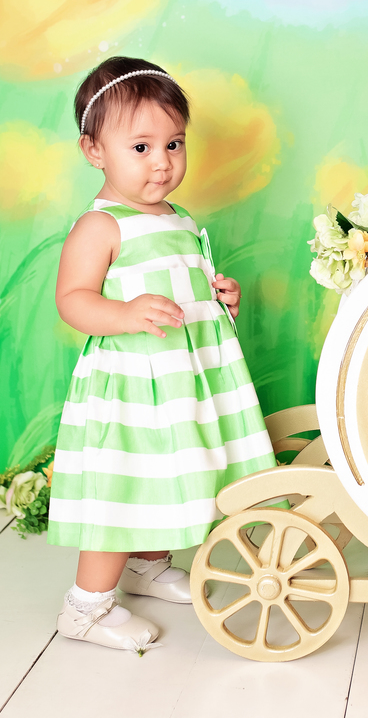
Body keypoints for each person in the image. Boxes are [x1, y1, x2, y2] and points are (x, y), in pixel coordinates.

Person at [47, 57, 276, 650]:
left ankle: (147, 566)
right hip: (133, 384)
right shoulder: (101, 226)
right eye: (141, 147)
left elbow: (184, 290)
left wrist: (218, 298)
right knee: (127, 484)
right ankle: (85, 608)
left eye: (173, 144)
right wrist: (123, 314)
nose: (162, 162)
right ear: (94, 150)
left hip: (182, 379)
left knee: (169, 472)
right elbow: (73, 299)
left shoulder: (180, 218)